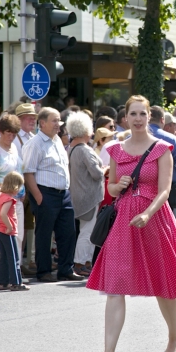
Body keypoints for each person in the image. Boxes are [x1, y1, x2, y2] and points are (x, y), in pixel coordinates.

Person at [85, 95, 176, 352]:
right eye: (133, 114)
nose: (137, 119)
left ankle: (174, 338)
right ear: (125, 118)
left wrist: (148, 213)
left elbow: (165, 190)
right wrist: (119, 185)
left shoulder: (162, 148)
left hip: (155, 219)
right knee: (114, 287)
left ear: (149, 117)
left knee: (164, 285)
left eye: (142, 114)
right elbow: (111, 189)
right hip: (124, 220)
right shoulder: (115, 149)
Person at [22, 107, 83, 283]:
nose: (58, 124)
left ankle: (66, 269)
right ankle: (44, 271)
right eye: (54, 121)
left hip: (63, 193)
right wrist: (38, 196)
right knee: (44, 234)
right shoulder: (35, 143)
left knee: (68, 233)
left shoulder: (56, 140)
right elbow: (28, 172)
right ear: (42, 123)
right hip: (45, 193)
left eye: (59, 121)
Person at [66, 112, 106, 277]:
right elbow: (97, 174)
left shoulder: (71, 149)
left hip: (77, 195)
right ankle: (81, 263)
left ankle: (85, 262)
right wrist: (106, 169)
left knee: (85, 230)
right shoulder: (85, 150)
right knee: (87, 232)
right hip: (89, 197)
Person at [0, 114, 26, 268]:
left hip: (16, 197)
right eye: (8, 133)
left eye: (14, 134)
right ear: (0, 131)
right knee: (7, 234)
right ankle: (7, 270)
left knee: (18, 234)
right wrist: (2, 193)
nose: (11, 137)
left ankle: (16, 268)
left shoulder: (13, 147)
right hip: (2, 198)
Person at [149, 106, 176, 220]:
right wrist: (173, 170)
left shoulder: (131, 137)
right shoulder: (171, 139)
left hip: (137, 190)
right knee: (164, 225)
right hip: (166, 190)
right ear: (162, 120)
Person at [0, 171, 29, 291]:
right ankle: (16, 282)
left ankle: (3, 282)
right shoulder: (9, 199)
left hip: (1, 230)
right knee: (14, 257)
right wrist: (9, 226)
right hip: (8, 232)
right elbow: (3, 213)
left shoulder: (0, 197)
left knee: (4, 258)